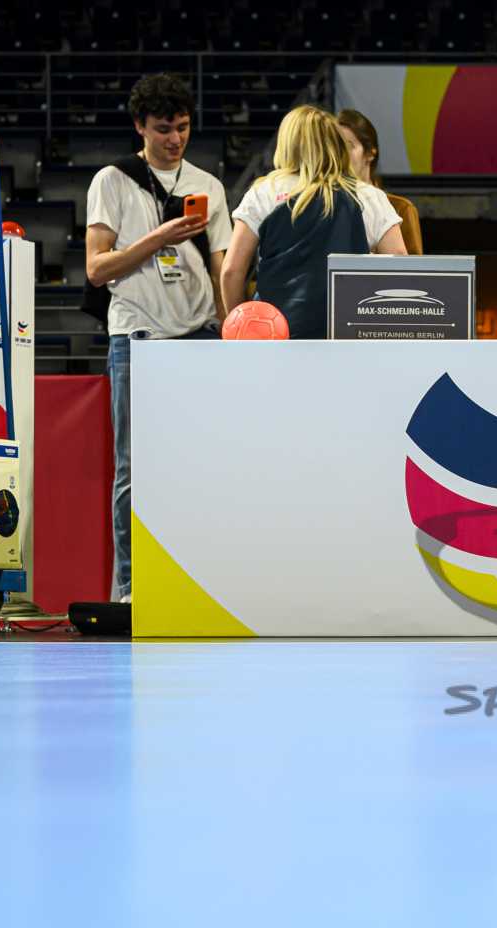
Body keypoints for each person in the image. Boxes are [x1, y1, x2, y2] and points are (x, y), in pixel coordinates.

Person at [85, 73, 231, 603]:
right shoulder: (112, 181)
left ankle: (208, 583)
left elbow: (223, 272)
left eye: (183, 128)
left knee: (206, 463)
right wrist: (159, 238)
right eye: (164, 129)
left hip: (200, 336)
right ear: (140, 127)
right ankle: (130, 589)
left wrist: (231, 333)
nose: (175, 139)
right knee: (133, 467)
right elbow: (96, 269)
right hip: (137, 337)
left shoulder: (208, 185)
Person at [222, 106, 406, 339]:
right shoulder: (369, 196)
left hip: (277, 334)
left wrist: (243, 328)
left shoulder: (264, 192)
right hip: (350, 332)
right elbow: (400, 265)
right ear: (334, 142)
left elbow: (231, 271)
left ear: (286, 143)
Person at [335, 108, 424, 254]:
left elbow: (410, 266)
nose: (341, 155)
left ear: (370, 153)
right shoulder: (327, 205)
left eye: (349, 146)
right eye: (336, 147)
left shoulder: (401, 208)